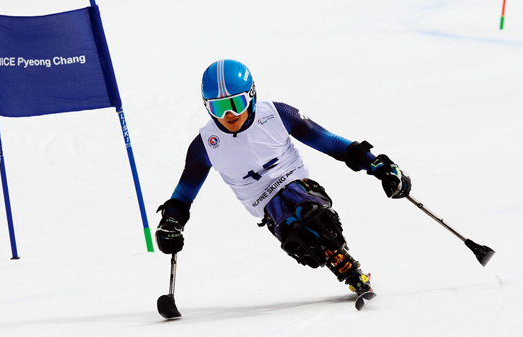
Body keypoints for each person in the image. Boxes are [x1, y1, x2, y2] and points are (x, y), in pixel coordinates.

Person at [155, 59, 411, 296]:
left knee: (310, 213)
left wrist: (378, 166)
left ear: (252, 97)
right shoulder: (204, 145)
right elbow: (183, 195)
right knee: (295, 231)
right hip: (264, 203)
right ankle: (339, 264)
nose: (228, 115)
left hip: (297, 183)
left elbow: (332, 144)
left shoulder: (278, 115)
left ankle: (345, 263)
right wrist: (170, 222)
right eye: (218, 107)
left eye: (236, 104)